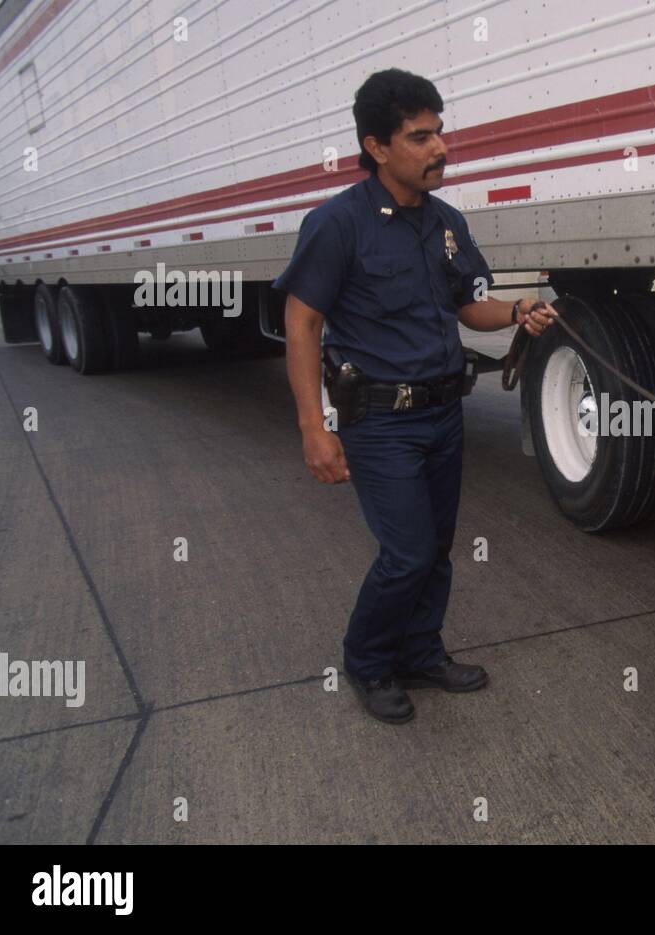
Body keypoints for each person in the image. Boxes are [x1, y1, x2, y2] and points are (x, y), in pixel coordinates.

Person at [274, 69, 556, 723]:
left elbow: (469, 308)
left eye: (440, 132)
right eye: (420, 136)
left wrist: (516, 309)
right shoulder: (337, 223)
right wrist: (313, 428)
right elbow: (302, 323)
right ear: (376, 146)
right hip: (378, 418)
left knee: (437, 547)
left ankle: (422, 652)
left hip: (442, 413)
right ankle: (368, 660)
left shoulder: (447, 223)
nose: (439, 149)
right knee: (406, 551)